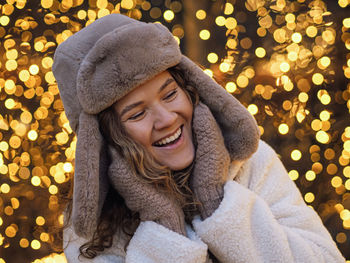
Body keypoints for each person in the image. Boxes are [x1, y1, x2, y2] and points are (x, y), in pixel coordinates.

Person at [52, 13, 345, 263]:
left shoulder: (251, 164)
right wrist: (164, 227)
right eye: (137, 114)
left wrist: (216, 201)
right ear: (106, 141)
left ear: (190, 88)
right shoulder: (92, 231)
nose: (167, 119)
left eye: (170, 94)